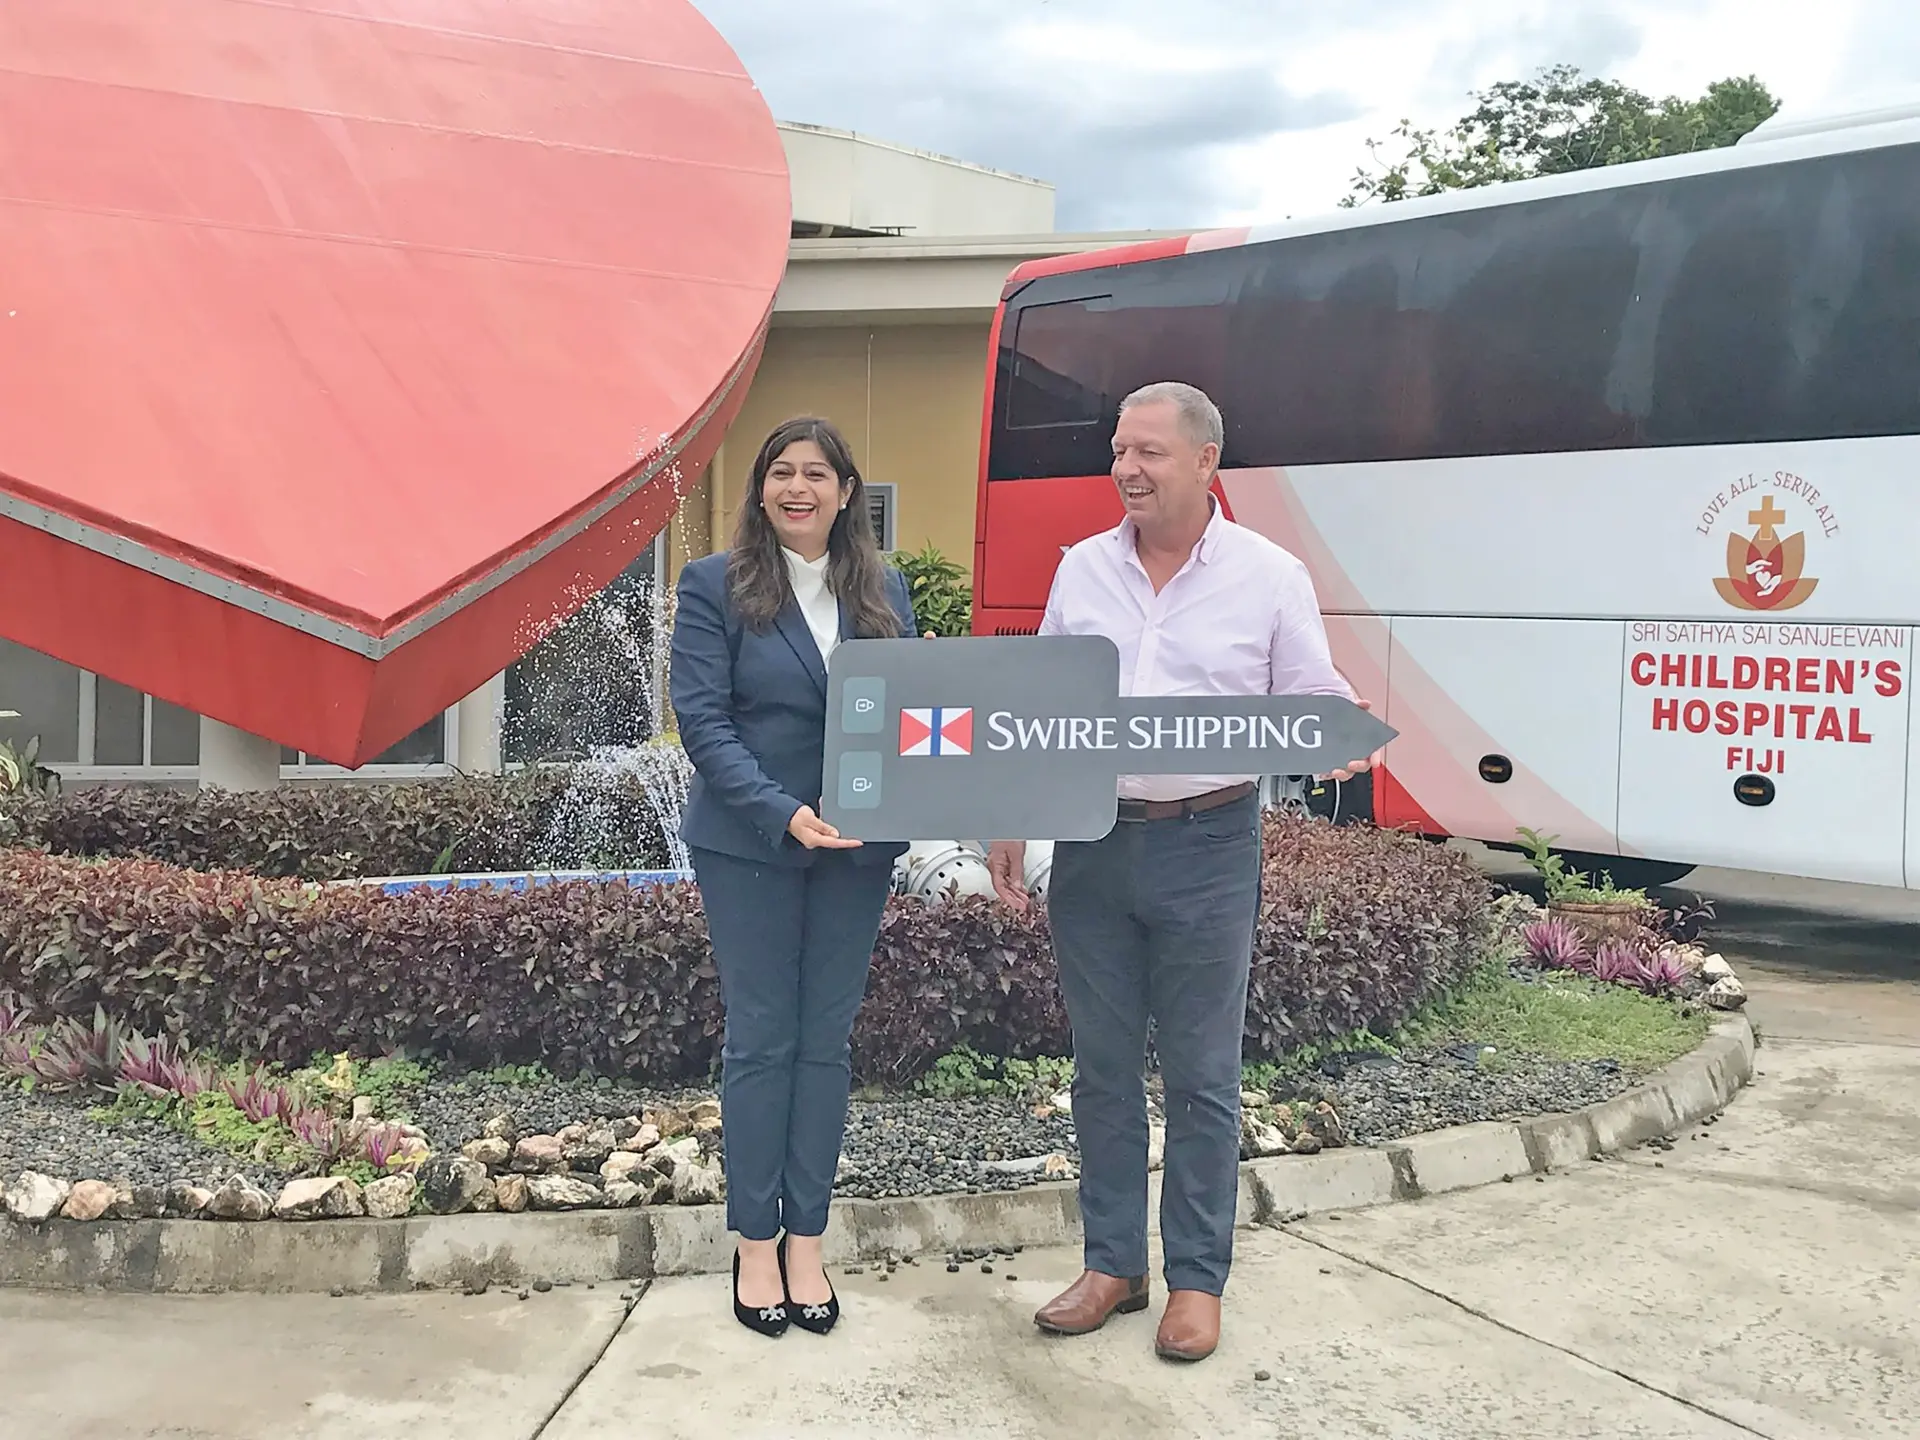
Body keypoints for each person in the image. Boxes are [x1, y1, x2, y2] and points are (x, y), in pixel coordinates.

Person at [986, 380, 1382, 1364]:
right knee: (1103, 1073)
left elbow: (1310, 693)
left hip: (1211, 844)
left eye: (1149, 451)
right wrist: (1009, 814)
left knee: (1205, 1077)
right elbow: (1043, 703)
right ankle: (1113, 1264)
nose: (1126, 468)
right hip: (1092, 843)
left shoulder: (1270, 576)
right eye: (1120, 449)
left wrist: (1339, 734)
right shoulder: (1082, 570)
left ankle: (1197, 1282)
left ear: (1207, 462)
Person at [669, 415, 918, 1339]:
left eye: (817, 473)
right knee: (763, 1039)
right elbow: (703, 723)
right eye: (782, 473)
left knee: (826, 1042)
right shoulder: (714, 588)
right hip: (753, 847)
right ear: (761, 490)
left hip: (859, 853)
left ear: (847, 493)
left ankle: (807, 1237)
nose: (798, 487)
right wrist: (781, 810)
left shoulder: (884, 591)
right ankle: (754, 1243)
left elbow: (914, 717)